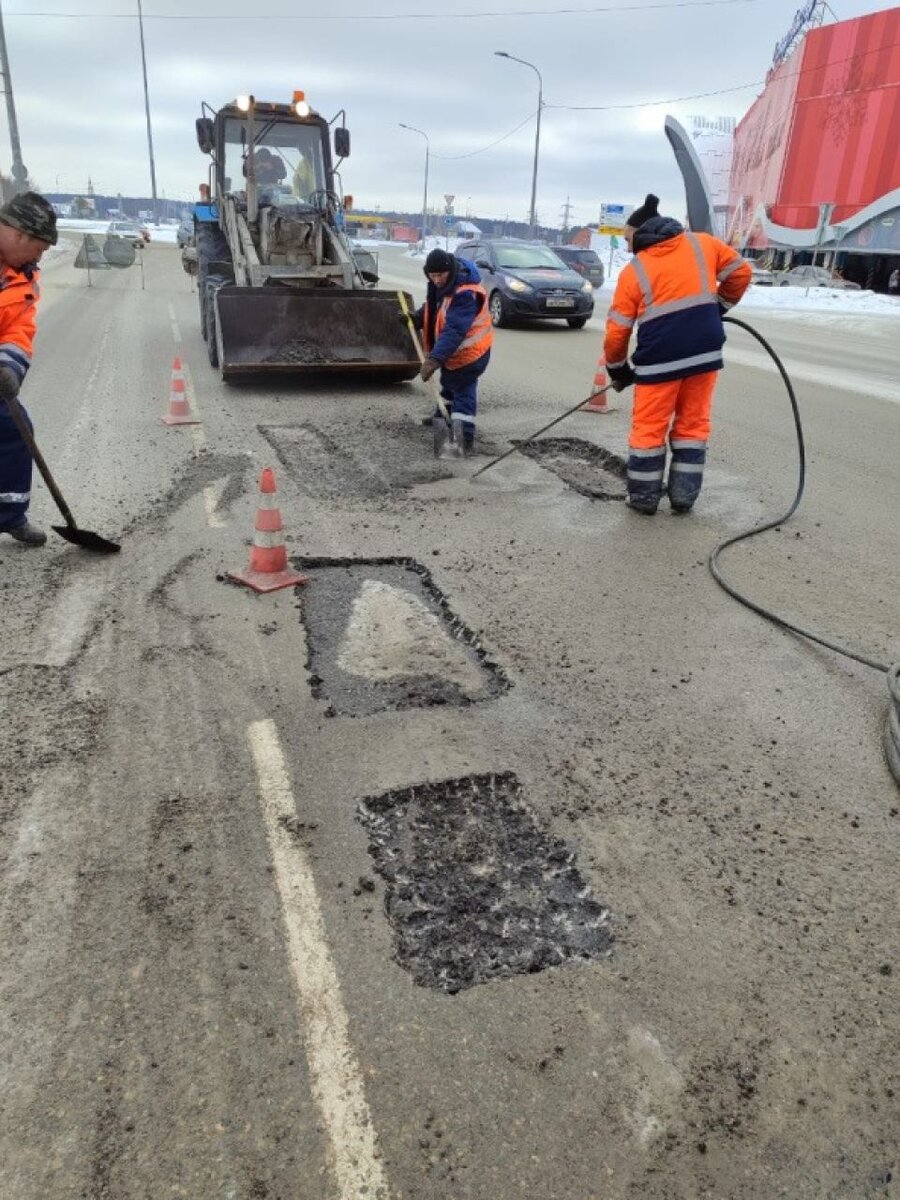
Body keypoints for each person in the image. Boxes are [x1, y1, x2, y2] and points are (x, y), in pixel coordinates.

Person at [604, 193, 752, 514]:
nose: (629, 248)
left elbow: (618, 329)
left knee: (649, 428)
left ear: (642, 236)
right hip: (704, 355)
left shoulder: (636, 269)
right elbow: (740, 274)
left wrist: (618, 370)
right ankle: (684, 497)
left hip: (659, 361)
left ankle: (644, 499)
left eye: (630, 240)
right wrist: (718, 307)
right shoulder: (704, 244)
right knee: (693, 427)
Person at [0, 192, 57, 547]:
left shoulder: (21, 278)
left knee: (16, 429)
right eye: (39, 247)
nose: (40, 256)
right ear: (19, 234)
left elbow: (19, 328)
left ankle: (9, 514)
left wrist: (8, 366)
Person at [412, 247, 493, 454]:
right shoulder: (442, 285)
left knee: (463, 392)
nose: (437, 279)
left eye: (441, 275)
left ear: (450, 271)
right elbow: (433, 308)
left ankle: (462, 438)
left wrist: (435, 358)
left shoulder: (465, 293)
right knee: (448, 385)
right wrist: (416, 318)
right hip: (454, 353)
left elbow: (455, 329)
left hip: (471, 354)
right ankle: (442, 417)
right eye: (432, 275)